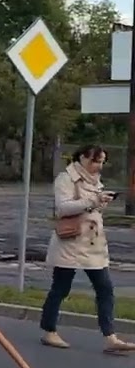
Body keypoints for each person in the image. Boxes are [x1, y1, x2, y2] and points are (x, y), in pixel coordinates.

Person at [39, 144, 135, 354]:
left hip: (92, 244)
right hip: (70, 242)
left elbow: (91, 207)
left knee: (105, 288)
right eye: (95, 161)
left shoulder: (95, 180)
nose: (98, 166)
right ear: (83, 158)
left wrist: (101, 202)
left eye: (101, 162)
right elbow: (63, 207)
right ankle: (49, 330)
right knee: (61, 288)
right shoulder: (66, 178)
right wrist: (93, 200)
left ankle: (110, 337)